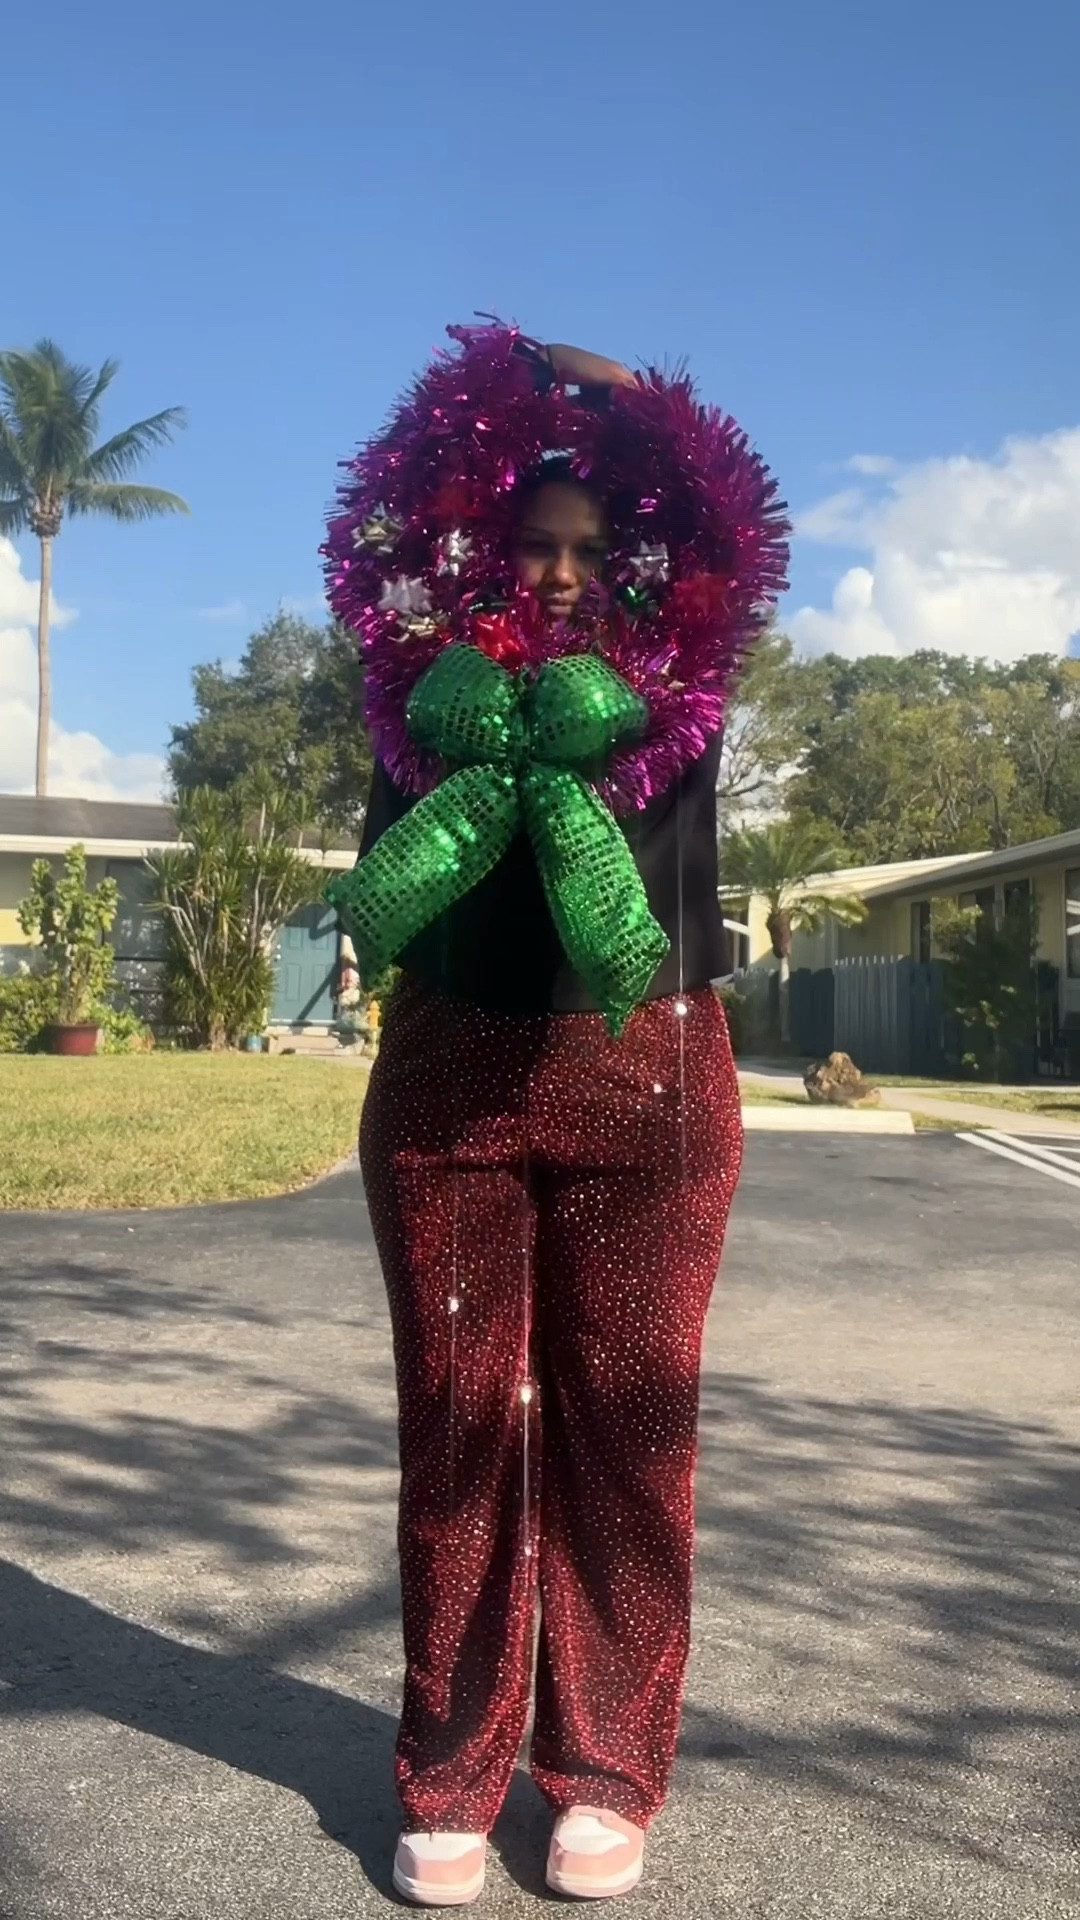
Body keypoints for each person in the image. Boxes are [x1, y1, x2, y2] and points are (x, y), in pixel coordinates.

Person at [324, 325, 788, 1907]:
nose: (569, 573)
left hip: (650, 1072)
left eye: (596, 546)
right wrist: (460, 402)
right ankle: (452, 1768)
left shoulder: (679, 671)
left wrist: (614, 392)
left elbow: (718, 510)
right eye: (536, 542)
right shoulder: (415, 675)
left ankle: (604, 1771)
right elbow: (392, 501)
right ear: (478, 548)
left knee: (628, 1436)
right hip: (450, 1068)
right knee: (459, 1434)